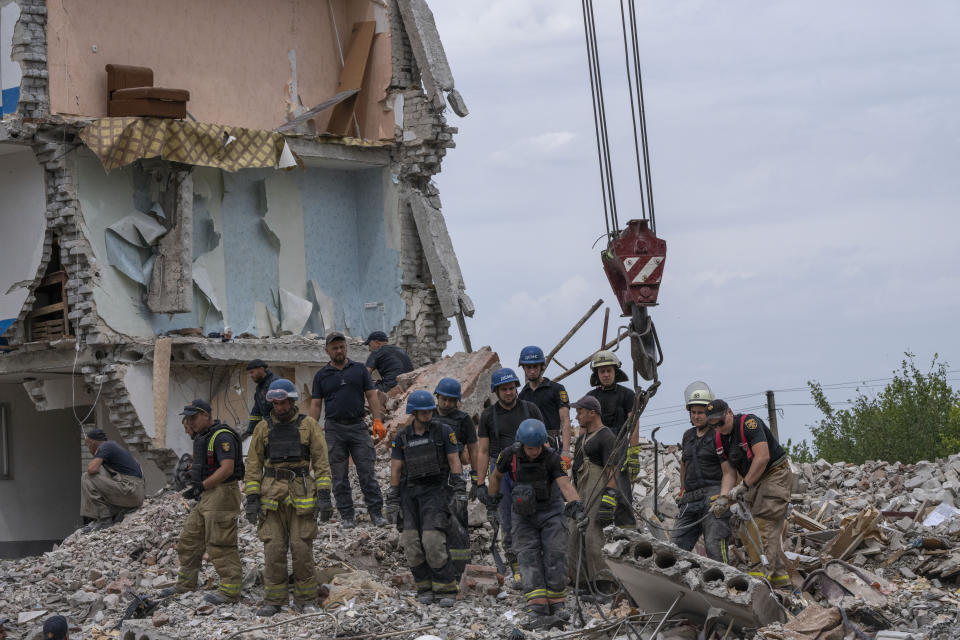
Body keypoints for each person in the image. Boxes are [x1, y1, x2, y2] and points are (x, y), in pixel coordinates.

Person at [245, 379, 333, 616]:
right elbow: (253, 466)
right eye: (275, 403)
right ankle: (274, 600)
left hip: (302, 494)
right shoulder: (262, 428)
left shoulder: (309, 426)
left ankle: (306, 599)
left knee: (301, 548)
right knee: (273, 549)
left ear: (291, 401)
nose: (279, 407)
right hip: (270, 495)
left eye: (283, 402)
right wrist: (251, 498)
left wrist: (324, 496)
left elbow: (322, 463)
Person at [487, 419, 584, 629]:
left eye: (538, 447)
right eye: (530, 448)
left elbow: (565, 485)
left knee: (556, 552)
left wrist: (576, 506)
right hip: (523, 514)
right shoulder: (508, 455)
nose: (534, 452)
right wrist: (491, 500)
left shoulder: (552, 458)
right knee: (527, 554)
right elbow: (495, 477)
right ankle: (537, 605)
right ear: (522, 444)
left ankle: (557, 602)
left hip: (551, 510)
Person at [386, 390, 470, 605]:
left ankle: (446, 590)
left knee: (432, 541)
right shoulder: (403, 438)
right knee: (412, 543)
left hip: (436, 492)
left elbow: (454, 461)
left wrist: (460, 488)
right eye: (422, 411)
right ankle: (424, 587)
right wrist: (393, 498)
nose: (427, 414)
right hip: (410, 494)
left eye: (429, 410)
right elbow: (396, 470)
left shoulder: (444, 432)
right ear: (414, 412)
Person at [159, 399, 243, 604]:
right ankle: (185, 585)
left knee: (220, 544)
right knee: (189, 540)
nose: (191, 423)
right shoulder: (204, 438)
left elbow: (227, 469)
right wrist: (191, 476)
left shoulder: (222, 436)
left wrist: (202, 485)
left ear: (206, 414)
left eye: (194, 418)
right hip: (207, 495)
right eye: (188, 419)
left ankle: (230, 591)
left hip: (222, 493)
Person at [708, 399, 793, 588]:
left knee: (762, 525)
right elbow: (729, 473)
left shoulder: (748, 424)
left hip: (774, 474)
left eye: (720, 423)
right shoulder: (719, 439)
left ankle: (759, 582)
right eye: (713, 425)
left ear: (729, 413)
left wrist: (744, 485)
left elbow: (762, 457)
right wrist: (723, 497)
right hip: (753, 481)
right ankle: (781, 584)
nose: (718, 428)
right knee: (747, 527)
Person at [310, 331, 387, 528]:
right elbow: (316, 404)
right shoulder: (321, 376)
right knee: (339, 475)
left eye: (342, 347)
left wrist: (377, 420)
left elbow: (371, 395)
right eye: (335, 348)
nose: (339, 351)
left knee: (367, 471)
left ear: (346, 347)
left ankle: (376, 513)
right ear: (327, 350)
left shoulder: (359, 370)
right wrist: (310, 428)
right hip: (334, 429)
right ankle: (346, 515)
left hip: (358, 427)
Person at [475, 367, 544, 587]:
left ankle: (536, 563)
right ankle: (515, 566)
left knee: (535, 515)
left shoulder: (530, 408)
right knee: (506, 519)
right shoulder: (488, 415)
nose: (509, 392)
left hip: (530, 466)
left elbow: (544, 441)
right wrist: (480, 483)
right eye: (504, 389)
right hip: (501, 471)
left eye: (512, 388)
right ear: (497, 391)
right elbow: (483, 451)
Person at [671, 382, 731, 563]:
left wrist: (726, 495)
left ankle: (724, 586)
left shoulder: (718, 434)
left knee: (714, 546)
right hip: (690, 498)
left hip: (713, 495)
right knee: (674, 546)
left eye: (701, 412)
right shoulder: (688, 436)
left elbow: (730, 468)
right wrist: (682, 489)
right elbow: (684, 463)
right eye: (693, 412)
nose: (696, 416)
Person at [566, 396, 618, 592]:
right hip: (581, 491)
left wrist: (609, 497)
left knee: (594, 536)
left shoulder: (606, 436)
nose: (576, 416)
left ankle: (603, 584)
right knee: (575, 534)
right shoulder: (582, 439)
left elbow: (611, 470)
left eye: (580, 412)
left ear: (592, 412)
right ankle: (582, 581)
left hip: (597, 490)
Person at [586, 350, 638, 529]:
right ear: (597, 374)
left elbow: (633, 423)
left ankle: (627, 531)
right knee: (595, 491)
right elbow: (585, 425)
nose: (606, 374)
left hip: (620, 449)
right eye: (602, 371)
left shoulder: (627, 394)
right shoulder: (591, 397)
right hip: (596, 451)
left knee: (621, 492)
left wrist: (634, 452)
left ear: (615, 371)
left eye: (609, 370)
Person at [517, 346, 572, 468]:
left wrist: (566, 451)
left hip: (553, 444)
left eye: (535, 366)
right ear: (523, 368)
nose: (532, 371)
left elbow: (565, 420)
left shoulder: (557, 389)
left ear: (542, 366)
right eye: (528, 367)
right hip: (529, 447)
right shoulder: (521, 395)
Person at [80, 429, 144, 532]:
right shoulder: (111, 446)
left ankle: (105, 519)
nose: (88, 448)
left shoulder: (106, 446)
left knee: (86, 477)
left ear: (92, 442)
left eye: (87, 444)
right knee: (99, 487)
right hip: (133, 493)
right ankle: (103, 517)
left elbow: (92, 469)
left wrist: (95, 456)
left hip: (131, 489)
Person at [433, 377, 479, 489]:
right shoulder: (427, 415)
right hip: (430, 471)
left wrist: (476, 479)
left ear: (456, 401)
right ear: (437, 396)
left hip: (453, 472)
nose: (447, 403)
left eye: (451, 400)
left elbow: (473, 451)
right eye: (444, 399)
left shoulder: (464, 419)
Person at [243, 359, 276, 440]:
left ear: (261, 369)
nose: (250, 375)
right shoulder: (259, 388)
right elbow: (256, 413)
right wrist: (250, 432)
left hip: (278, 430)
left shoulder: (275, 384)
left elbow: (282, 409)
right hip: (268, 430)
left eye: (252, 372)